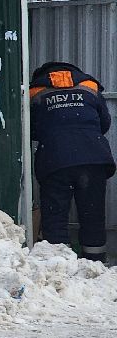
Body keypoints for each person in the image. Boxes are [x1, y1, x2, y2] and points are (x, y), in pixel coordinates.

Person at [29, 61, 115, 260]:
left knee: (55, 216)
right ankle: (95, 265)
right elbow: (104, 122)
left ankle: (60, 266)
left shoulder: (35, 91)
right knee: (92, 215)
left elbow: (31, 130)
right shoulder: (89, 87)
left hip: (55, 160)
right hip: (92, 159)